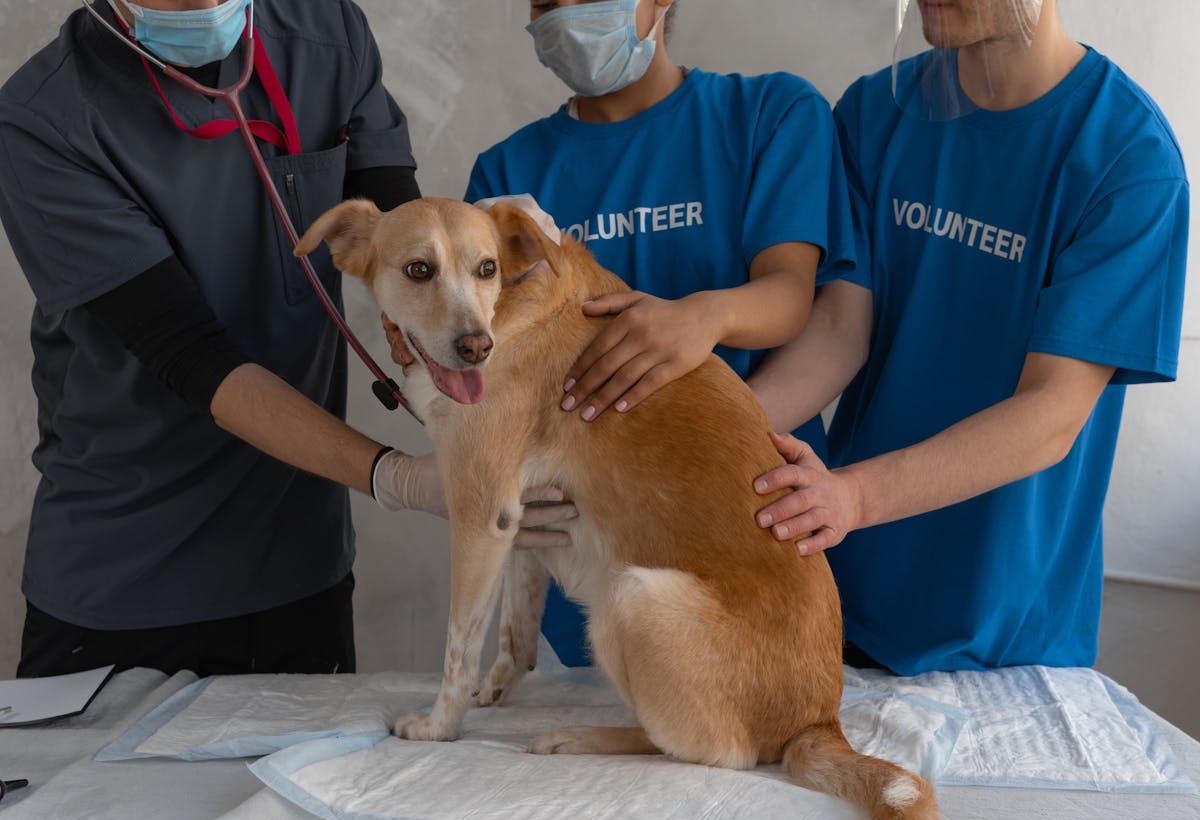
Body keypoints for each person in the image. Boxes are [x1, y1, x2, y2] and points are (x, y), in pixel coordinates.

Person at [0, 0, 569, 679]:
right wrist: (400, 477)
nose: (208, 5)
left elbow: (393, 223)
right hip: (126, 581)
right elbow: (191, 356)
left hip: (298, 565)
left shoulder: (324, 34)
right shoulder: (45, 118)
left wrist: (444, 286)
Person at [747, 0, 1189, 675]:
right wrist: (696, 438)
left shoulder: (1129, 158)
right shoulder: (875, 112)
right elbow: (839, 330)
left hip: (1008, 640)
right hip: (846, 595)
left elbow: (1051, 412)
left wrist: (855, 495)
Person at [444, 0, 857, 666]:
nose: (567, 14)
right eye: (548, 2)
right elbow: (493, 370)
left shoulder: (769, 115)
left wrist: (707, 315)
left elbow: (791, 296)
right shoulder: (505, 180)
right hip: (589, 568)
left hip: (744, 529)